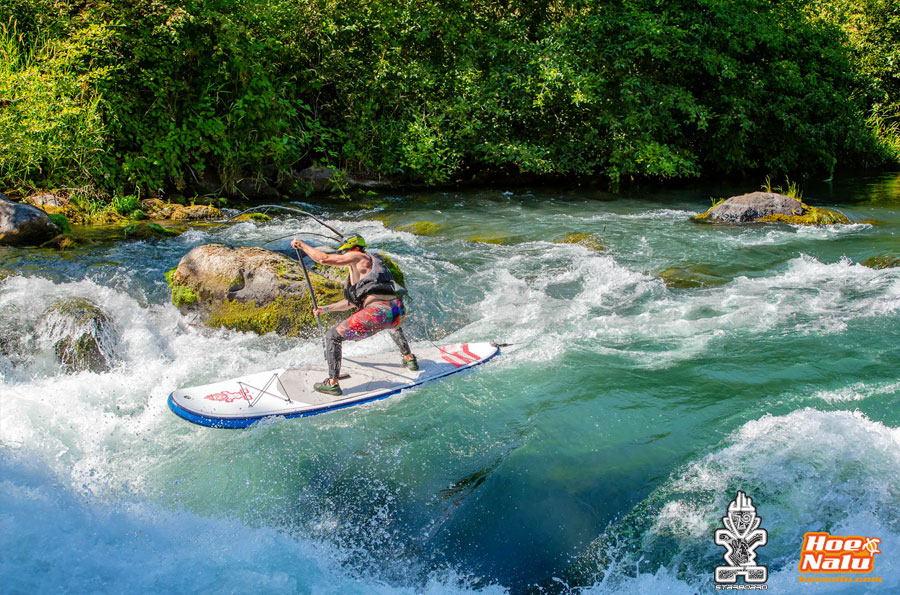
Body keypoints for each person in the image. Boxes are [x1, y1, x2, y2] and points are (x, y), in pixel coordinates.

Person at [290, 233, 418, 396]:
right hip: (397, 311)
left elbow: (323, 259)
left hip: (377, 311)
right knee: (391, 326)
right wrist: (327, 309)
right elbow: (353, 303)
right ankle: (409, 358)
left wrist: (302, 245)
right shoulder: (374, 265)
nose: (344, 256)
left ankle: (332, 384)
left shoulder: (357, 256)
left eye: (346, 252)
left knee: (332, 336)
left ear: (355, 248)